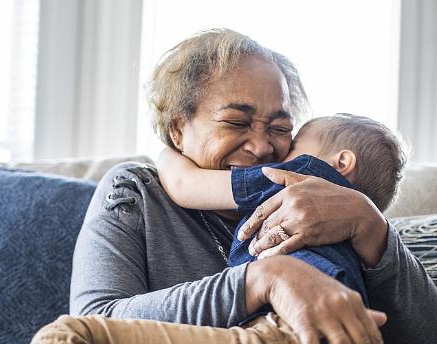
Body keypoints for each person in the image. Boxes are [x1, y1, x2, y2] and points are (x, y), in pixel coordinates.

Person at [0, 29, 437, 344]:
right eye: (236, 122)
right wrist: (260, 279)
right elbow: (101, 318)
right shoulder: (137, 193)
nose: (263, 145)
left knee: (69, 342)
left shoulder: (324, 205)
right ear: (178, 128)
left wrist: (371, 226)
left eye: (280, 128)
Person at [157, 112, 406, 320]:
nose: (278, 155)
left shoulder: (297, 174)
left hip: (291, 305)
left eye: (295, 145)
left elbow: (185, 185)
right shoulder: (362, 242)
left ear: (341, 162)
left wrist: (167, 154)